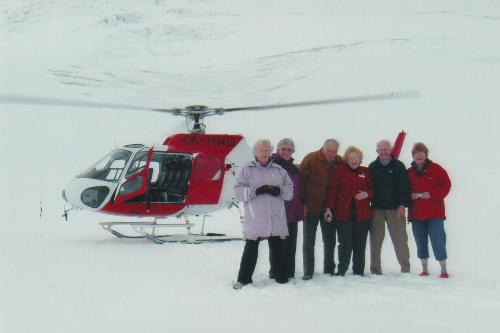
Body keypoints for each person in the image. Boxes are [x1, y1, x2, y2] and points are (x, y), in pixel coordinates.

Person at [233, 139, 293, 289]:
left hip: (275, 216)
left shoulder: (279, 170)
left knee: (278, 249)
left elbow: (289, 192)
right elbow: (238, 192)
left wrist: (278, 191)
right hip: (256, 217)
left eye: (267, 150)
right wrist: (255, 191)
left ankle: (282, 279)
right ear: (256, 152)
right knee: (251, 249)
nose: (264, 153)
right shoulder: (248, 169)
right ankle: (244, 279)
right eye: (261, 150)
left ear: (271, 151)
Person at [324, 146, 373, 276]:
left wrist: (367, 194)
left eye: (356, 158)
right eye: (351, 158)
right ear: (346, 159)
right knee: (345, 243)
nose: (353, 161)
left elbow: (374, 190)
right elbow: (332, 190)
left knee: (360, 244)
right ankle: (342, 270)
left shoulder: (366, 172)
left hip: (362, 215)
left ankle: (358, 271)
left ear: (360, 159)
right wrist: (329, 208)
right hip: (343, 214)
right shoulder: (340, 171)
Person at [300, 139, 343, 280]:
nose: (331, 154)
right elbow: (300, 182)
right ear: (323, 149)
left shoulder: (339, 161)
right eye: (329, 151)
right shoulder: (311, 159)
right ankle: (308, 271)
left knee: (330, 240)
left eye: (334, 151)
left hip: (329, 209)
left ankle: (329, 269)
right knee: (308, 242)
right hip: (311, 207)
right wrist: (302, 203)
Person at [407, 142, 451, 278]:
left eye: (421, 154)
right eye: (416, 154)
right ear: (413, 156)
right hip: (416, 213)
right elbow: (402, 190)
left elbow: (446, 186)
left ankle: (443, 269)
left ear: (426, 155)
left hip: (435, 213)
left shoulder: (437, 169)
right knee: (420, 240)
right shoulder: (408, 172)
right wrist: (410, 195)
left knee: (438, 239)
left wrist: (431, 194)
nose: (419, 156)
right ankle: (424, 268)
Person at [369, 139, 411, 275]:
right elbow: (368, 188)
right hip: (377, 209)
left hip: (395, 208)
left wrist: (402, 204)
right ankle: (375, 270)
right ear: (377, 151)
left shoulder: (398, 166)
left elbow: (405, 187)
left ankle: (405, 268)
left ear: (390, 150)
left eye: (386, 149)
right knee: (375, 240)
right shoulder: (372, 167)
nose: (383, 152)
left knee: (400, 239)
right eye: (380, 149)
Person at [270, 138, 303, 279]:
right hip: (278, 211)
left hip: (293, 211)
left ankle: (289, 273)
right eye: (283, 149)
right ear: (278, 150)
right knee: (278, 245)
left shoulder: (295, 168)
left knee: (290, 244)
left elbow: (299, 189)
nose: (286, 152)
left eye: (289, 149)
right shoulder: (272, 165)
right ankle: (277, 273)